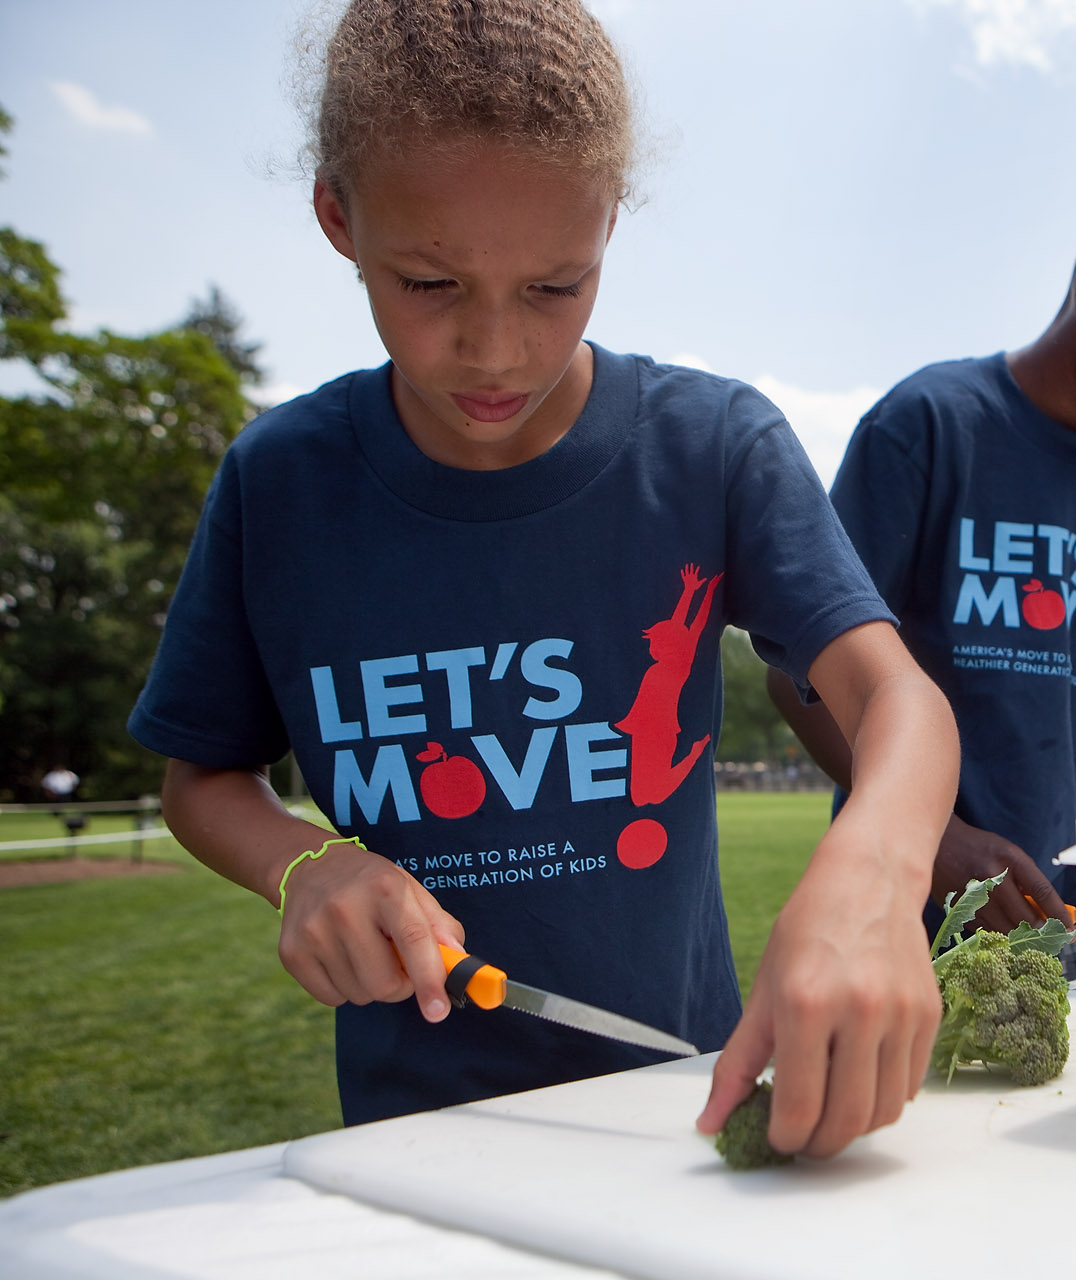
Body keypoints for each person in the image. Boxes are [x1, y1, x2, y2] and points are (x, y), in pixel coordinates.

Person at [127, 0, 960, 1161]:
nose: (496, 350)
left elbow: (894, 696)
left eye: (555, 286)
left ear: (610, 220)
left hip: (678, 1110)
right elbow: (202, 775)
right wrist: (305, 862)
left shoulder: (711, 446)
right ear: (337, 217)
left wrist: (876, 867)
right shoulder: (280, 483)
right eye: (428, 284)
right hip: (415, 1141)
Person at [769, 176, 1076, 939]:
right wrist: (931, 838)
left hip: (1048, 915)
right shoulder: (930, 428)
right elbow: (798, 679)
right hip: (895, 909)